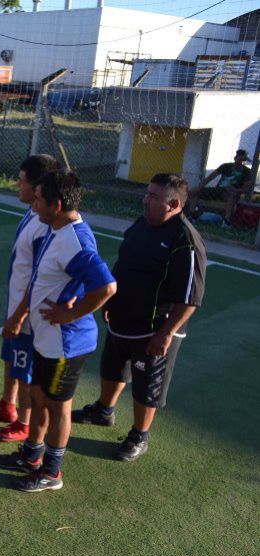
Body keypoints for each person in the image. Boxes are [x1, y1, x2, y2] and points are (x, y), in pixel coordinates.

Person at [0, 170, 116, 492]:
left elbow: (106, 286)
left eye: (38, 200)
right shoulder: (55, 229)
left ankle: (51, 472)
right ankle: (31, 456)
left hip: (67, 344)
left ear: (57, 204)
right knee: (36, 397)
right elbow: (39, 280)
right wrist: (20, 315)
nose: (33, 206)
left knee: (56, 405)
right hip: (45, 338)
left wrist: (71, 313)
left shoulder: (75, 241)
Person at [73, 173, 206, 461]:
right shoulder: (141, 224)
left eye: (153, 197)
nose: (145, 200)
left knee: (148, 384)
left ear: (172, 203)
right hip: (124, 316)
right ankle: (103, 411)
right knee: (112, 367)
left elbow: (190, 298)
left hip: (156, 328)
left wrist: (166, 333)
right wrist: (112, 299)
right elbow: (123, 264)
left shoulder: (186, 241)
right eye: (147, 194)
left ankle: (139, 436)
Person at [0, 154, 59, 442]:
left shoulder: (46, 223)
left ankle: (23, 423)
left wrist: (19, 315)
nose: (17, 185)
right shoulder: (32, 212)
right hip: (17, 307)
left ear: (38, 186)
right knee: (12, 359)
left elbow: (39, 277)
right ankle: (7, 405)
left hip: (28, 315)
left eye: (22, 181)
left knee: (24, 367)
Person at [187, 149, 253, 227]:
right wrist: (198, 188)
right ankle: (191, 215)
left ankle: (226, 221)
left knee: (232, 195)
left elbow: (247, 187)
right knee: (195, 191)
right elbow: (210, 178)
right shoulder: (226, 166)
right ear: (235, 158)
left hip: (231, 193)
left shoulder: (247, 171)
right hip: (218, 190)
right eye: (240, 159)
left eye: (243, 160)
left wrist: (236, 190)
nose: (241, 162)